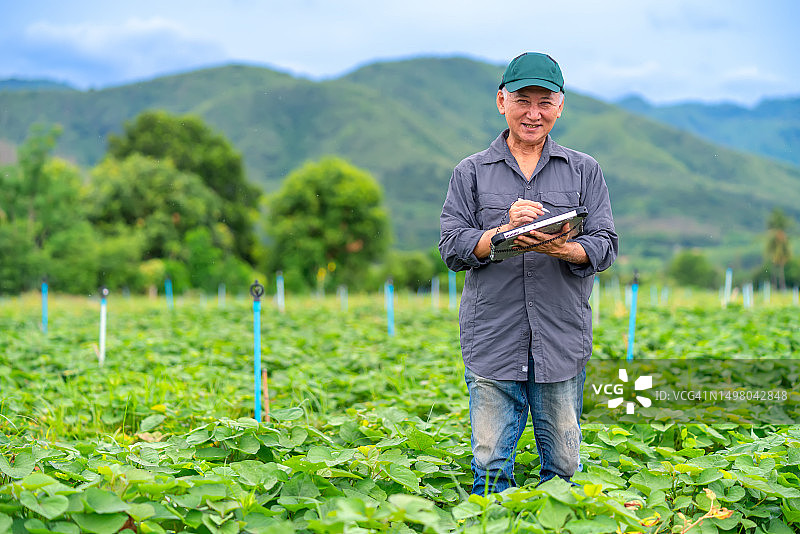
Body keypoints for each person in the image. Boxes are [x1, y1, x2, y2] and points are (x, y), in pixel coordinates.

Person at [439, 52, 618, 494]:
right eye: (523, 100)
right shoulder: (471, 172)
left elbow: (605, 244)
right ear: (502, 101)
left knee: (562, 465)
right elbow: (452, 245)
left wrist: (560, 246)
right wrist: (501, 231)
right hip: (493, 338)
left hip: (560, 337)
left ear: (560, 106)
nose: (533, 113)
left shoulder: (584, 169)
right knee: (490, 463)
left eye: (545, 102)